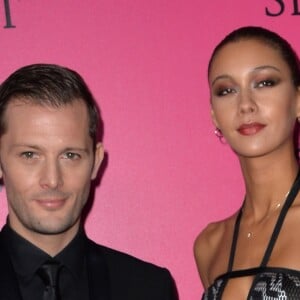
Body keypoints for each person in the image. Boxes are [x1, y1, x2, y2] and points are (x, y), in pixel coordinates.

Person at [0, 63, 177, 300]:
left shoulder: (149, 289)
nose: (52, 180)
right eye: (30, 155)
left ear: (95, 161)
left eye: (70, 155)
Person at [194, 26, 300, 299]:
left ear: (298, 100)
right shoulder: (210, 244)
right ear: (215, 116)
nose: (245, 105)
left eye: (264, 83)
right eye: (226, 90)